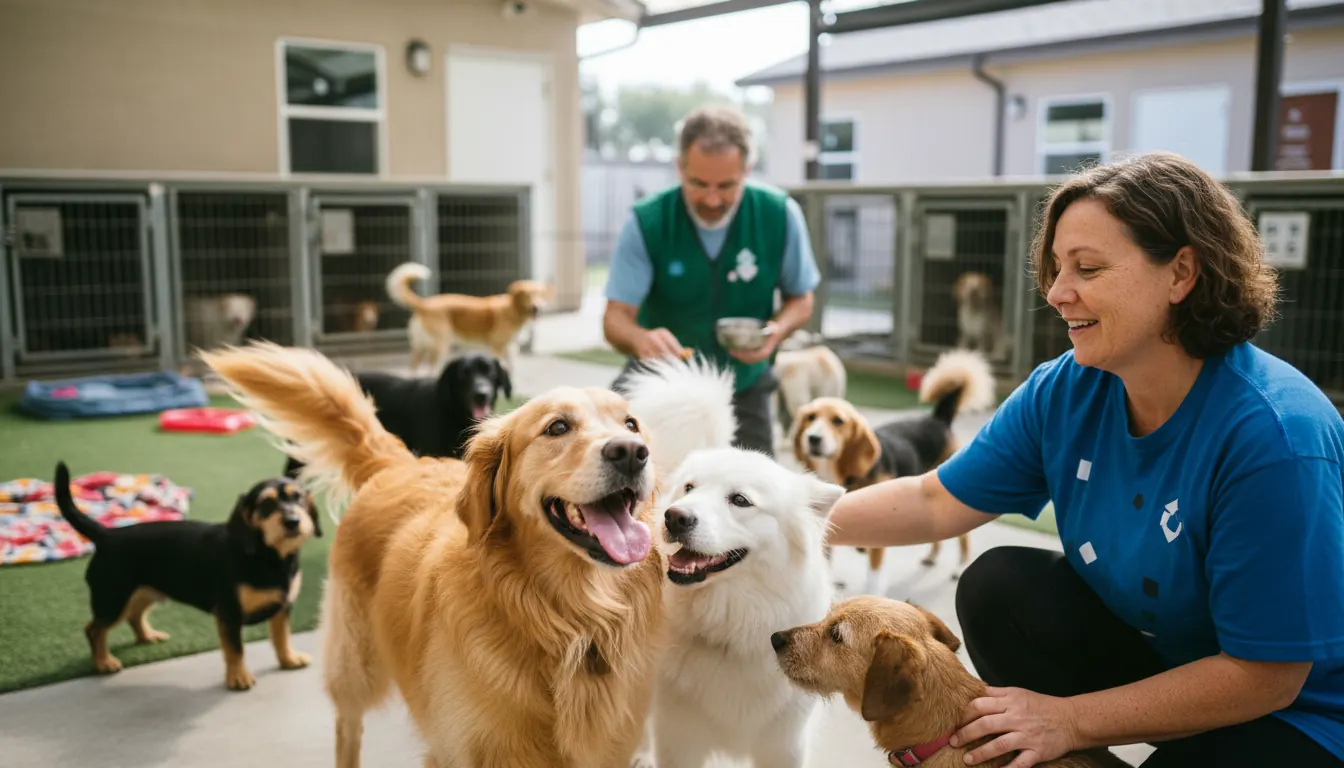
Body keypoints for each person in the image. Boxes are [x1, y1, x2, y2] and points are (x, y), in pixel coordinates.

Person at [824, 152, 1344, 767]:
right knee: (999, 588)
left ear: (1181, 273)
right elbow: (933, 500)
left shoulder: (1275, 437)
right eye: (1057, 267)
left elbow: (1268, 676)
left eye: (1088, 268)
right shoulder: (1067, 388)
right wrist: (768, 515)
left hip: (1298, 710)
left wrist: (1068, 720)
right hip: (1173, 654)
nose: (1057, 292)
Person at [602, 104, 822, 457]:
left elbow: (802, 299)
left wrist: (775, 332)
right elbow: (615, 318)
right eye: (699, 184)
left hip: (744, 384)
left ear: (747, 170)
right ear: (680, 167)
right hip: (659, 381)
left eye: (727, 185)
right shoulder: (648, 220)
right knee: (613, 464)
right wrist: (640, 338)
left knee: (757, 493)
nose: (712, 198)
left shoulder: (779, 213)